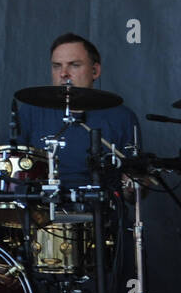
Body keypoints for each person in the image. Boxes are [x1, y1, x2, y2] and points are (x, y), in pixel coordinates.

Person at [16, 33, 139, 185]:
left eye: (74, 65)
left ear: (95, 71)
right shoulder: (31, 111)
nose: (63, 73)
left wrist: (134, 184)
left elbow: (135, 193)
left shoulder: (122, 117)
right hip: (42, 206)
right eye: (57, 66)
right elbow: (14, 171)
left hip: (101, 206)